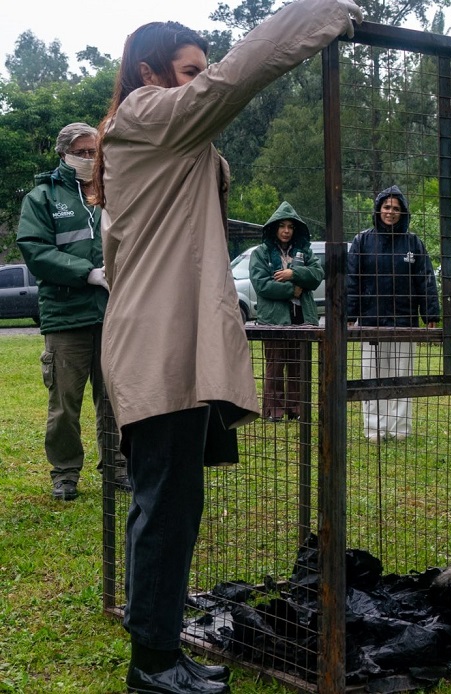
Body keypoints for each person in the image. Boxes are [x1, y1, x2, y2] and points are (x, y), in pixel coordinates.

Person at [89, 2, 362, 692]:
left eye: (200, 72)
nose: (200, 82)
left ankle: (157, 651)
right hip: (160, 346)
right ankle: (152, 667)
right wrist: (315, 13)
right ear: (150, 73)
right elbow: (238, 79)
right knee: (167, 508)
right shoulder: (149, 114)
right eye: (189, 71)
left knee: (169, 504)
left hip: (171, 341)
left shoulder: (164, 137)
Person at [16, 122, 128, 501]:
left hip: (114, 315)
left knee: (113, 399)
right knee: (65, 403)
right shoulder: (42, 197)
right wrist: (88, 273)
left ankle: (118, 467)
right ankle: (65, 473)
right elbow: (34, 248)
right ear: (64, 153)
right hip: (66, 317)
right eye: (82, 152)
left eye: (94, 151)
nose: (89, 158)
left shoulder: (112, 190)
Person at [347, 185, 440, 443]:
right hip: (371, 323)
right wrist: (349, 315)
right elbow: (352, 280)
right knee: (371, 377)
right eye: (386, 207)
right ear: (378, 209)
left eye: (396, 208)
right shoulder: (362, 241)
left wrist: (430, 313)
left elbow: (426, 280)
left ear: (403, 213)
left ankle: (400, 429)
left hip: (404, 322)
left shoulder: (414, 243)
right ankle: (374, 429)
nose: (390, 212)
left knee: (402, 376)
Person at [249, 202, 323, 422]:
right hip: (273, 320)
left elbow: (317, 274)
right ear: (274, 228)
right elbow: (262, 285)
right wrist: (294, 289)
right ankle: (274, 410)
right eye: (282, 226)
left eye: (290, 226)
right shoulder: (260, 254)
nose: (286, 230)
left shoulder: (305, 252)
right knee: (275, 365)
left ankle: (296, 408)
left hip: (301, 318)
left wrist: (293, 273)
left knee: (298, 365)